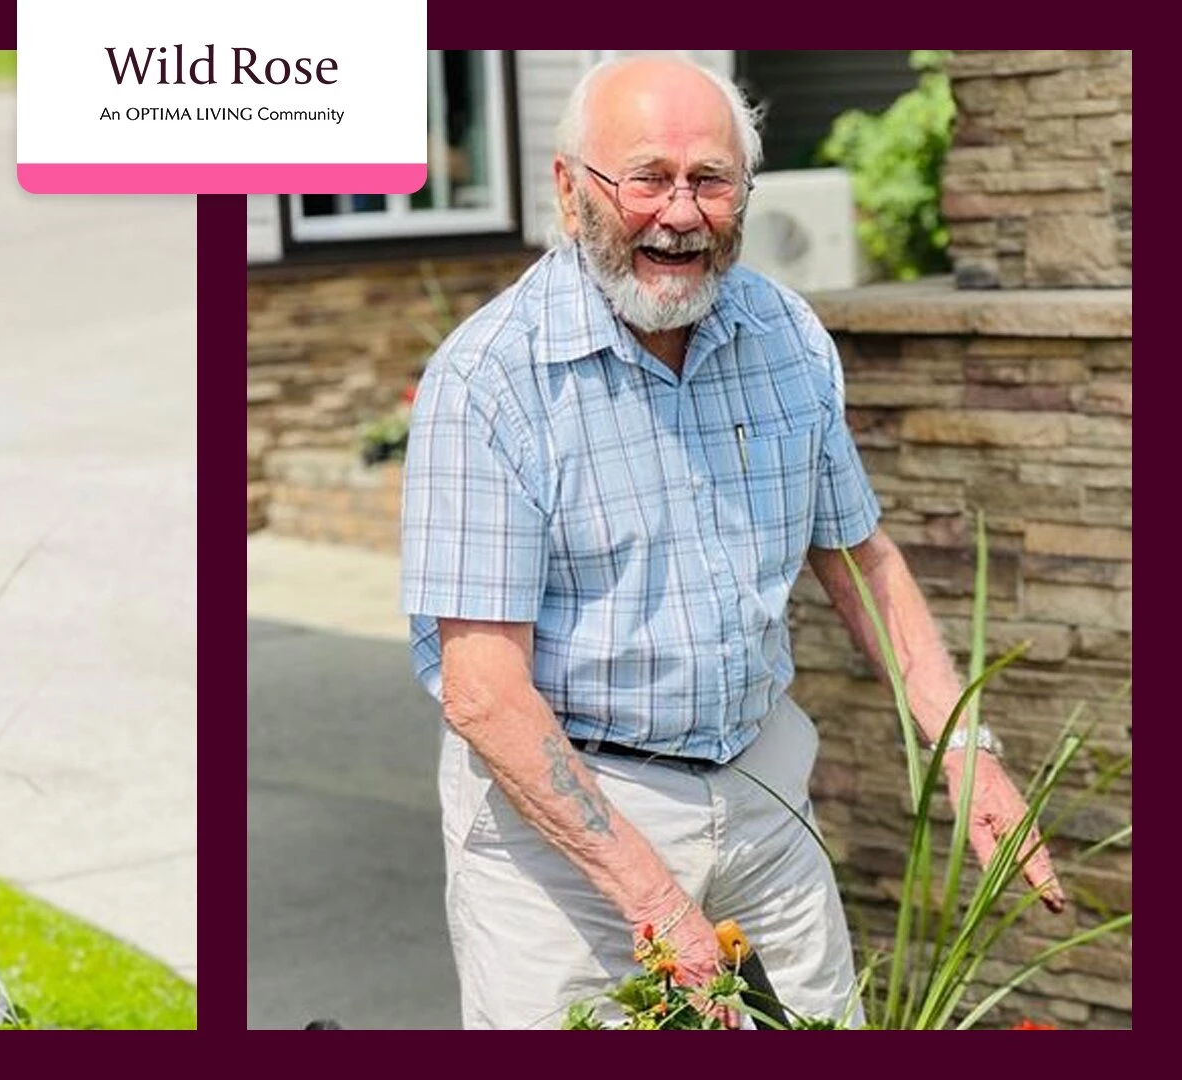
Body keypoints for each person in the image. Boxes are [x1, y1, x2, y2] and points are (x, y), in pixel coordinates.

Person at [398, 54, 1065, 1031]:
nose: (681, 212)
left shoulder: (786, 335)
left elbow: (858, 560)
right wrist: (660, 906)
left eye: (710, 180)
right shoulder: (489, 383)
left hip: (762, 795)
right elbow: (485, 693)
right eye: (647, 177)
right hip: (568, 847)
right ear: (570, 188)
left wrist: (961, 745)